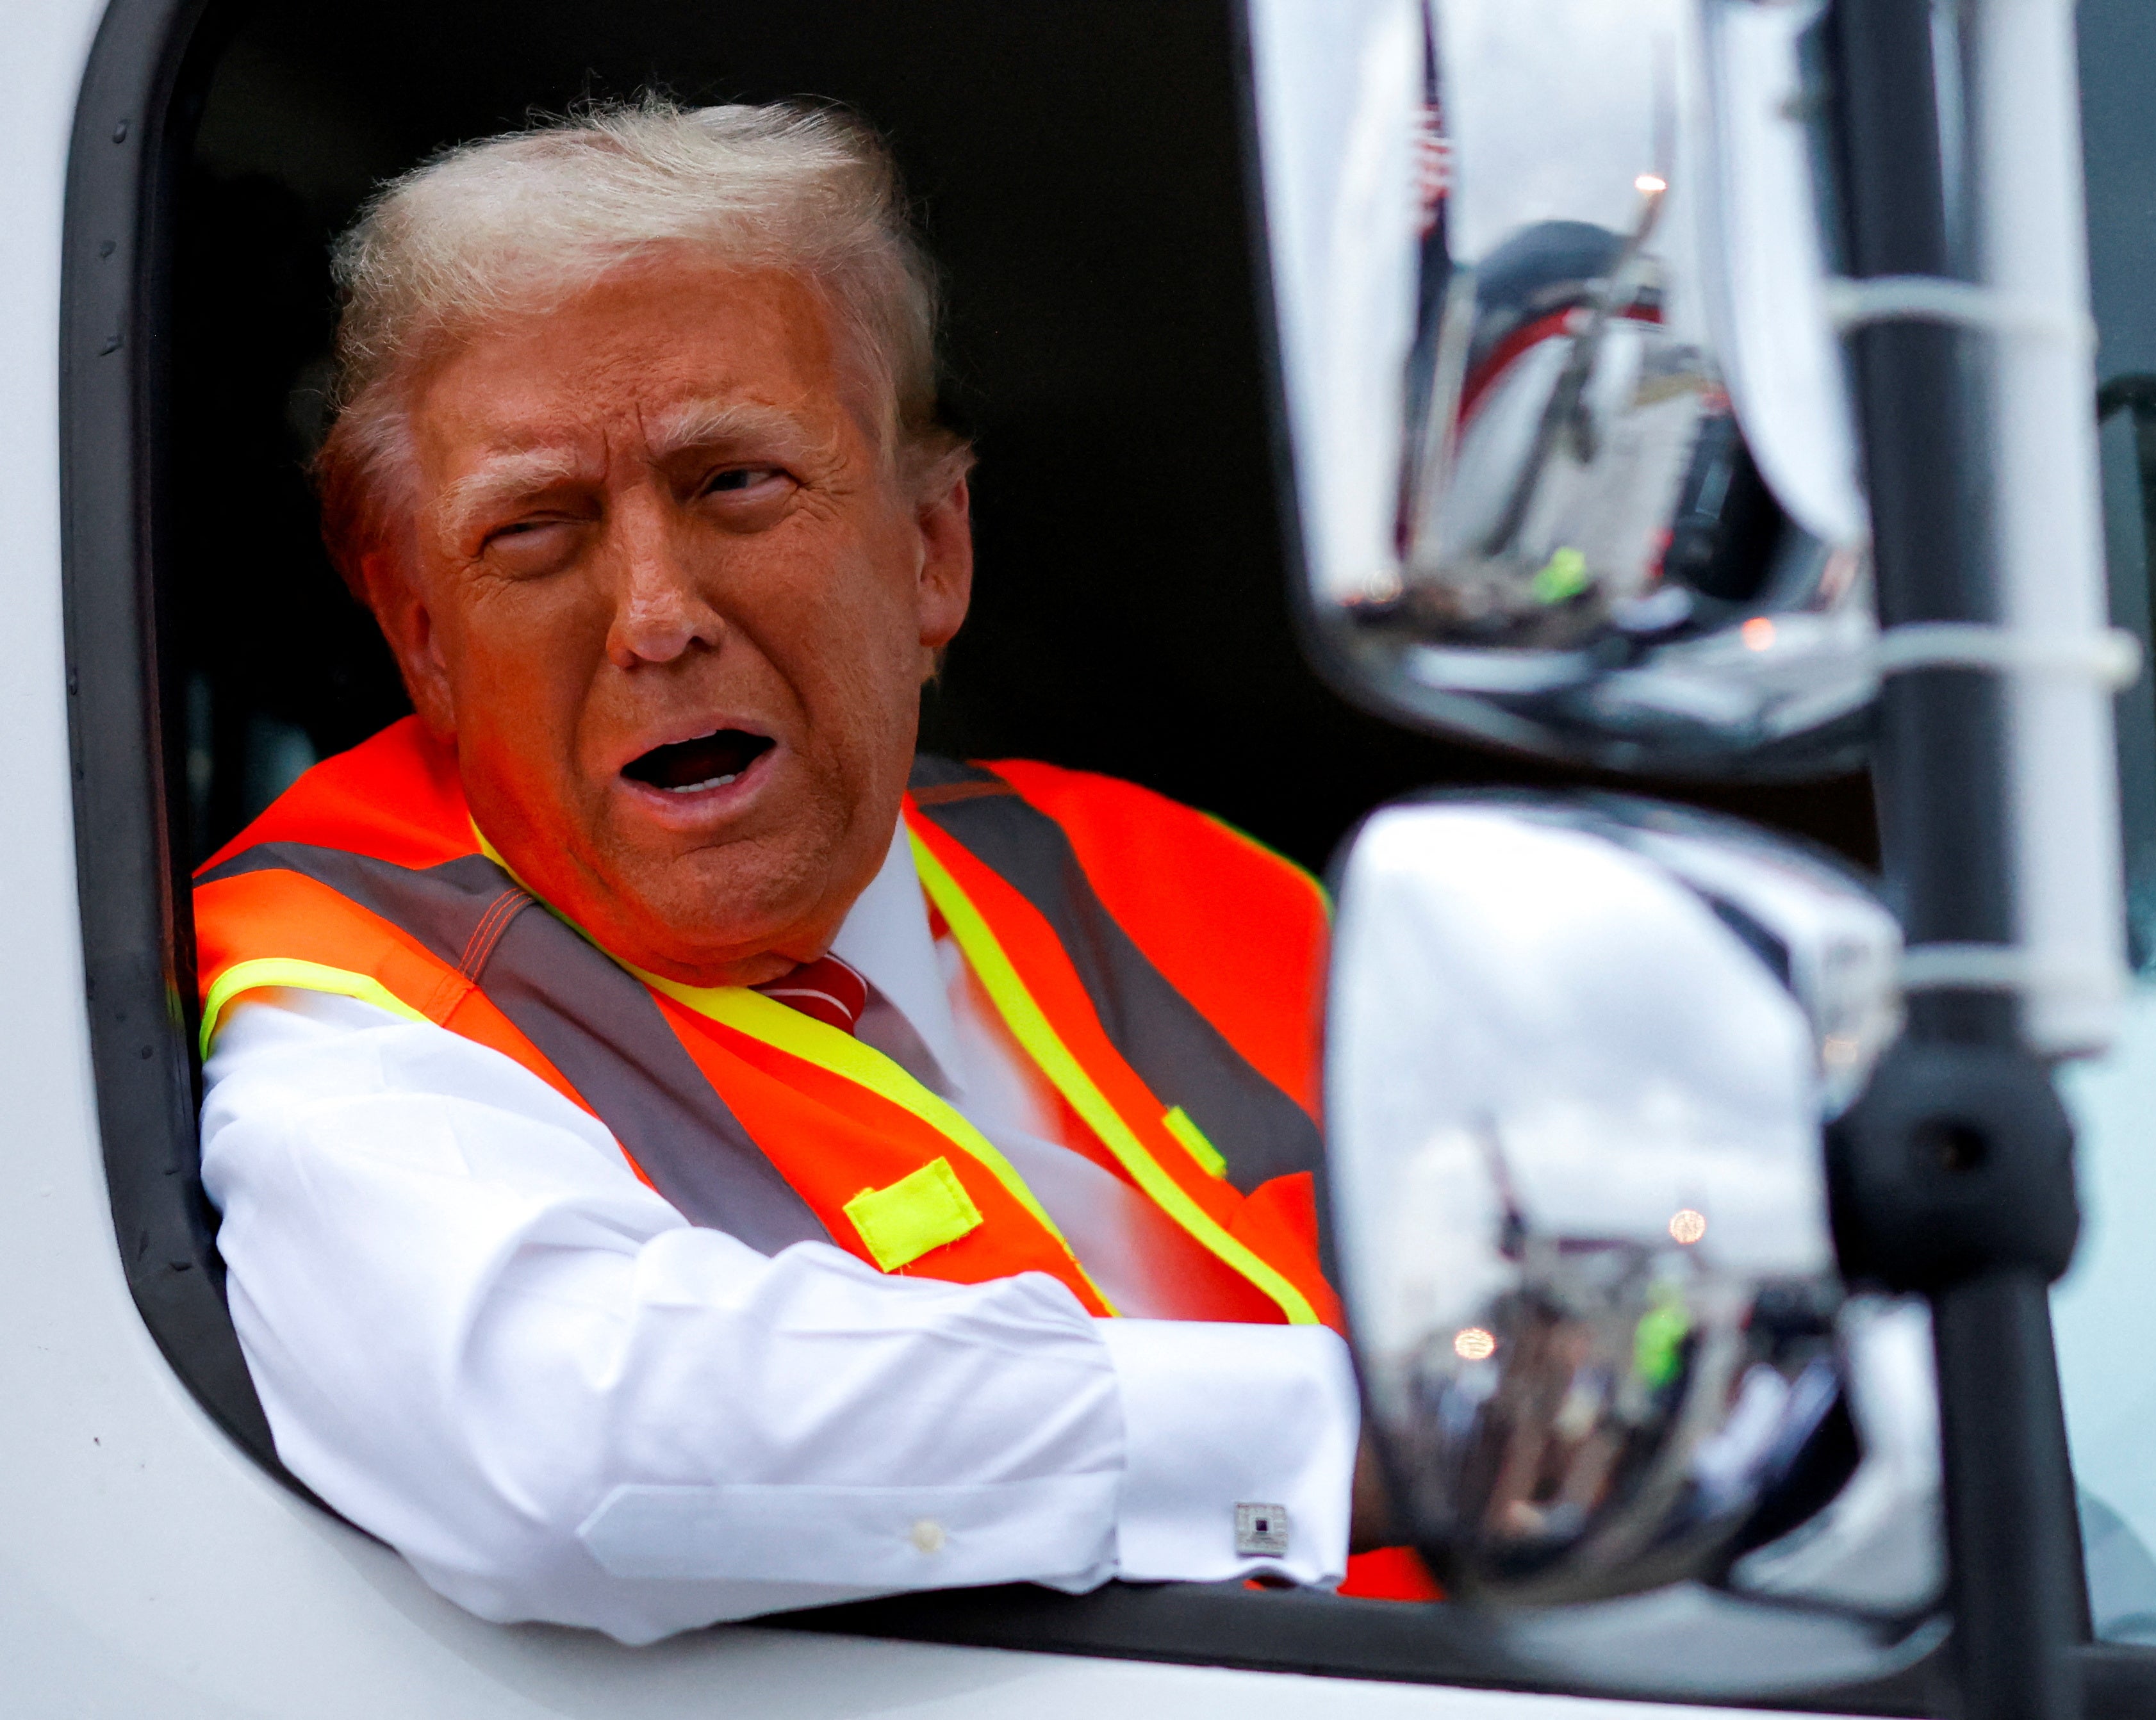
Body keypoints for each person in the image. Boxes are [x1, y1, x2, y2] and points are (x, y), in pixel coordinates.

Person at [192, 97, 1413, 1645]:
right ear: (421, 633)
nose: (652, 615)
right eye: (536, 529)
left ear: (930, 551)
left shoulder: (1170, 870)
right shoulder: (335, 993)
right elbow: (580, 1451)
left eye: (735, 485)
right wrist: (1351, 1439)